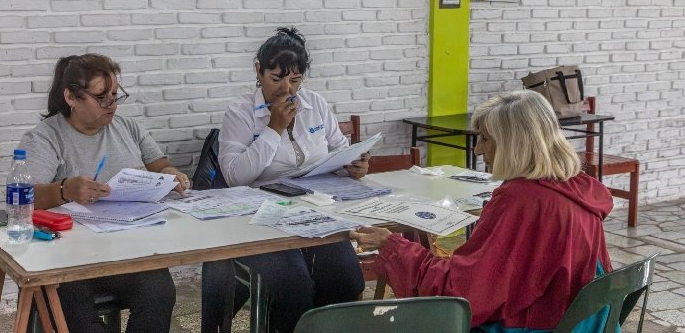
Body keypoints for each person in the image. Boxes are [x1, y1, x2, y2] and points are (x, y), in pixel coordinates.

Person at [350, 90, 614, 332]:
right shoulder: (578, 187)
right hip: (579, 321)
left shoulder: (521, 200)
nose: (477, 149)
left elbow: (461, 294)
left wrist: (393, 246)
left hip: (534, 325)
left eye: (485, 139)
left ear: (513, 143)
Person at [18, 53, 190, 333]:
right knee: (76, 314)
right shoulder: (45, 137)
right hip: (66, 257)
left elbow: (160, 165)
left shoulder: (127, 127)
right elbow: (22, 197)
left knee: (159, 292)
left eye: (115, 95)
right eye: (101, 98)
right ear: (71, 97)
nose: (112, 105)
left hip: (127, 248)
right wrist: (64, 190)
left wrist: (171, 173)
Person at [217, 27, 370, 333]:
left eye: (295, 80)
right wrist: (273, 128)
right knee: (294, 286)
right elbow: (235, 176)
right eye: (276, 78)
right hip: (261, 218)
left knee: (347, 278)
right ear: (258, 71)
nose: (286, 89)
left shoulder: (315, 104)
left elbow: (338, 151)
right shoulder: (240, 113)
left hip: (316, 212)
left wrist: (352, 166)